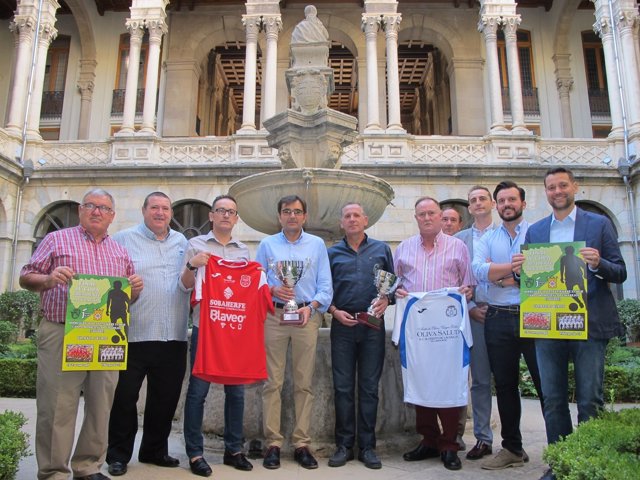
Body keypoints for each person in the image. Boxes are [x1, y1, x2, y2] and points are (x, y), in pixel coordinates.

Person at [19, 188, 143, 480]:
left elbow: (126, 300)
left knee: (101, 406)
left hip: (104, 336)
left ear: (112, 216)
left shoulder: (119, 251)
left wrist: (134, 290)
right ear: (80, 210)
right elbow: (26, 276)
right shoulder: (56, 239)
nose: (97, 211)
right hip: (62, 331)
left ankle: (88, 467)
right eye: (91, 205)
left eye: (104, 208)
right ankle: (53, 471)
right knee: (58, 406)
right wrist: (49, 279)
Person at [512, 167, 627, 480]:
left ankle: (588, 463)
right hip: (549, 326)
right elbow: (528, 279)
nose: (557, 191)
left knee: (590, 399)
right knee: (552, 399)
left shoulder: (599, 224)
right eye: (551, 187)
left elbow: (620, 271)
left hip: (588, 326)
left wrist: (597, 263)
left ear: (574, 187)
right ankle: (561, 462)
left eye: (562, 185)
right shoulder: (535, 231)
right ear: (545, 192)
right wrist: (520, 272)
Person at [106, 192, 189, 476]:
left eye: (166, 208)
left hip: (173, 334)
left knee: (164, 400)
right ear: (144, 210)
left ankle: (154, 450)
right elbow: (108, 281)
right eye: (155, 207)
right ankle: (118, 455)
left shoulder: (182, 242)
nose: (160, 212)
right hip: (132, 334)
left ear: (171, 213)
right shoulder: (122, 240)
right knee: (124, 398)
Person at [394, 196, 474, 471]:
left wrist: (466, 292)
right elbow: (394, 285)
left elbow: (469, 284)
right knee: (421, 380)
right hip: (418, 330)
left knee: (448, 383)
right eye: (421, 214)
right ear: (415, 218)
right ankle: (428, 440)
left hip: (448, 331)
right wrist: (398, 292)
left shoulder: (458, 248)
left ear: (440, 217)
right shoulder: (403, 249)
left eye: (431, 213)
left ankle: (449, 444)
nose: (427, 218)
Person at [256, 195, 333, 470]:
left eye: (297, 212)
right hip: (274, 316)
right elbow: (258, 281)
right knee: (272, 382)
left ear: (305, 216)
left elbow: (325, 286)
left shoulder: (316, 245)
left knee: (304, 382)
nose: (292, 216)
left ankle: (301, 443)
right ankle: (273, 444)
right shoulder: (267, 245)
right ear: (279, 216)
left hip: (305, 317)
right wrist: (272, 289)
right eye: (287, 211)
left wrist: (311, 308)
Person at [472, 181, 543, 470]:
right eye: (501, 201)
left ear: (523, 203)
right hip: (498, 316)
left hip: (535, 314)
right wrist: (516, 269)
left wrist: (498, 274)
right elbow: (478, 271)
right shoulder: (487, 237)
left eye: (511, 199)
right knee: (504, 386)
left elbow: (545, 274)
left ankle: (562, 447)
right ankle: (512, 448)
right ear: (495, 205)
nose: (506, 205)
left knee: (545, 384)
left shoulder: (538, 233)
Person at [181, 194, 253, 477]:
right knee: (197, 392)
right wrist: (193, 265)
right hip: (204, 330)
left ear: (236, 219)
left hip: (235, 332)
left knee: (237, 392)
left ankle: (234, 449)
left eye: (231, 212)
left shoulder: (243, 251)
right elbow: (184, 285)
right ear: (211, 216)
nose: (226, 215)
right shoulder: (195, 245)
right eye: (220, 210)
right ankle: (195, 453)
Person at [326, 203, 394, 469]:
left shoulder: (381, 249)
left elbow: (391, 285)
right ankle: (343, 446)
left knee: (369, 388)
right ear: (341, 222)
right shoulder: (332, 253)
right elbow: (324, 288)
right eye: (347, 216)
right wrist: (333, 311)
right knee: (342, 388)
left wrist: (386, 300)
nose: (352, 220)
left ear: (366, 220)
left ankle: (367, 447)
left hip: (372, 326)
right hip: (342, 325)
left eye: (357, 215)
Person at [454, 186, 496, 460]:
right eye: (473, 200)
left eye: (483, 198)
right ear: (468, 208)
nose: (478, 203)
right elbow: (453, 281)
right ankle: (483, 438)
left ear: (491, 203)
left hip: (509, 313)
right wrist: (469, 308)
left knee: (507, 380)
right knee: (480, 380)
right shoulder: (459, 241)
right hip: (476, 317)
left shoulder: (509, 234)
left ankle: (514, 441)